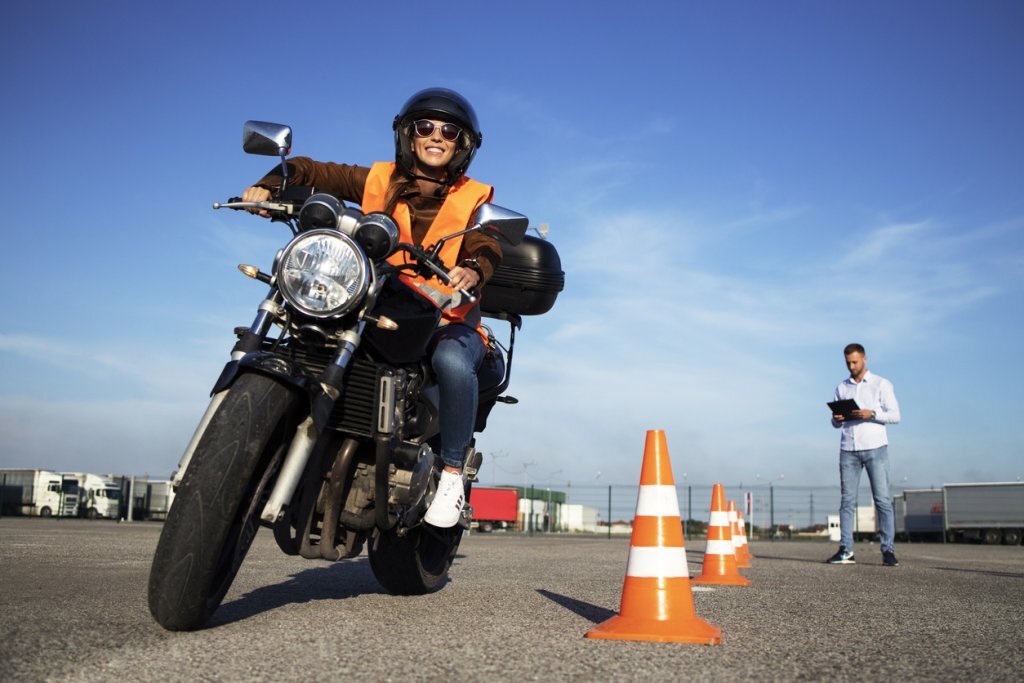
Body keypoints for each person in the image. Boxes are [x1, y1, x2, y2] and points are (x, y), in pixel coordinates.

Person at [241, 87, 502, 529]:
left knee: (453, 362)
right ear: (408, 134)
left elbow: (486, 241)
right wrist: (269, 186)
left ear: (462, 145)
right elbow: (310, 169)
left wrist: (475, 268)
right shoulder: (378, 179)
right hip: (374, 305)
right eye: (425, 126)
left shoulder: (474, 197)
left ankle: (453, 478)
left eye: (449, 131)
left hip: (443, 320)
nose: (436, 136)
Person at [826, 343, 902, 566]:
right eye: (848, 362)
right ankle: (846, 550)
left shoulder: (881, 384)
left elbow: (896, 415)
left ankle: (888, 551)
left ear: (865, 359)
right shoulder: (842, 387)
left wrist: (872, 413)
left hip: (875, 448)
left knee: (883, 501)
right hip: (848, 450)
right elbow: (834, 423)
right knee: (847, 502)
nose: (851, 366)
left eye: (855, 362)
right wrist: (836, 419)